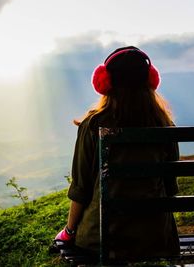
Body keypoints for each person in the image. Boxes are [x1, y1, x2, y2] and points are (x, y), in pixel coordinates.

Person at [54, 46, 180, 262]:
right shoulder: (165, 126)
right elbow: (170, 188)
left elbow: (81, 188)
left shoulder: (93, 124)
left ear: (104, 83)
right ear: (151, 81)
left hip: (102, 238)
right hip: (155, 237)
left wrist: (70, 231)